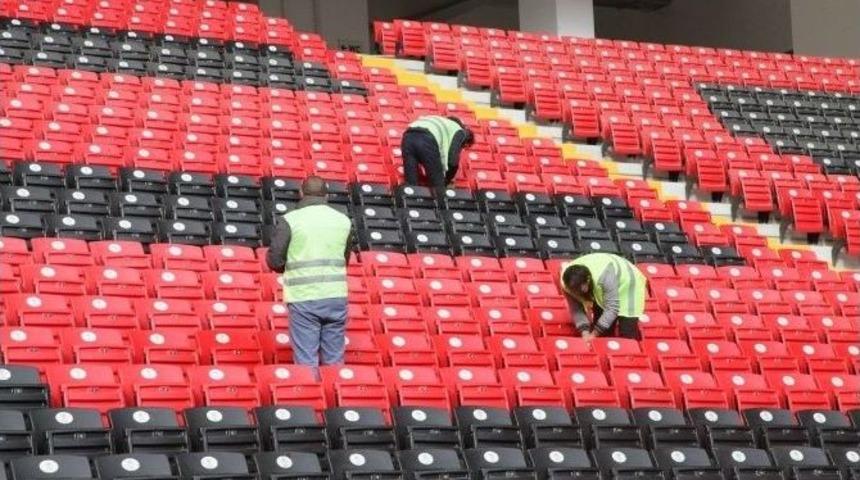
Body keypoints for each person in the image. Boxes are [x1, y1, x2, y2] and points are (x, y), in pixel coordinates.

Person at [266, 176, 353, 367]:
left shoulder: (290, 220)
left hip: (304, 296)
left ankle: (312, 395)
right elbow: (344, 258)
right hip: (336, 295)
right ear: (326, 196)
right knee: (335, 360)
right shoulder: (343, 221)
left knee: (306, 360)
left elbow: (275, 260)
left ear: (301, 193)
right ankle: (335, 394)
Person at [559, 252, 647, 342]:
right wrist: (584, 332)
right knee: (602, 331)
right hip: (601, 284)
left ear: (588, 280)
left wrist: (593, 335)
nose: (576, 293)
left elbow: (612, 308)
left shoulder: (604, 277)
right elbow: (576, 309)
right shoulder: (567, 283)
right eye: (574, 290)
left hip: (628, 281)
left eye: (579, 289)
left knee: (627, 332)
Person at [401, 115, 475, 189]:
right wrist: (447, 180)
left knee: (411, 185)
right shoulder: (461, 132)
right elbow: (452, 161)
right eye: (463, 147)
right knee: (438, 185)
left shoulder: (442, 125)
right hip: (427, 138)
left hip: (408, 136)